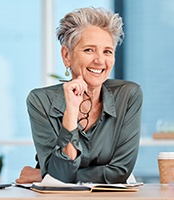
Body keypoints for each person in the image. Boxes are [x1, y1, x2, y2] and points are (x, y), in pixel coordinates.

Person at [16, 7, 143, 184]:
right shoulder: (40, 101)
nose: (99, 60)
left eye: (107, 51)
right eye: (89, 50)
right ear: (66, 55)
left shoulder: (128, 95)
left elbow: (120, 171)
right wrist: (71, 113)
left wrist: (43, 175)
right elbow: (60, 174)